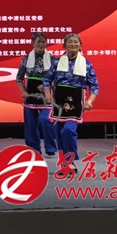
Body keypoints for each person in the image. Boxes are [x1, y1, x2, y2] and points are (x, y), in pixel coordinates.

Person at [44, 33, 99, 174]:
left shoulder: (86, 63)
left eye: (76, 42)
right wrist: (48, 95)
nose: (73, 44)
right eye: (70, 42)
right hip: (59, 101)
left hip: (76, 102)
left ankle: (70, 160)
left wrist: (90, 101)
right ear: (64, 45)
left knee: (68, 130)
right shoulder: (57, 62)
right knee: (59, 134)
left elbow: (94, 85)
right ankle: (66, 165)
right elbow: (47, 80)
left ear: (80, 45)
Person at [16, 32, 58, 156]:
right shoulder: (26, 58)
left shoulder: (52, 59)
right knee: (30, 124)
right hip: (30, 97)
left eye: (43, 42)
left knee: (45, 120)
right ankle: (34, 149)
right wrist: (23, 92)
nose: (41, 44)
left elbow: (57, 79)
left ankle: (50, 147)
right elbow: (19, 78)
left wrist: (47, 86)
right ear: (33, 43)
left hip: (47, 96)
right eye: (38, 42)